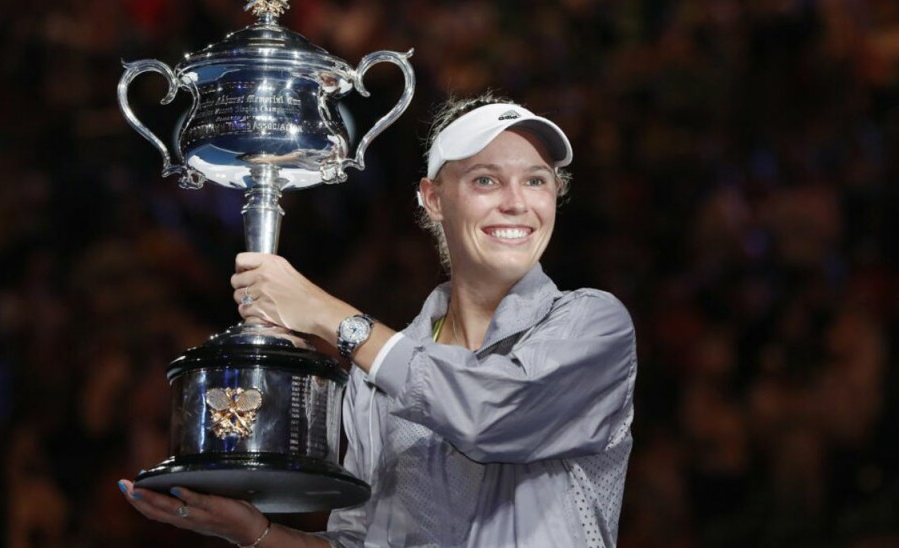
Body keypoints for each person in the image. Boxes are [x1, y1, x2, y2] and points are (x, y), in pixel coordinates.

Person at [119, 92, 638, 547]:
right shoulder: (375, 378)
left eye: (536, 181)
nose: (516, 203)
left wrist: (327, 315)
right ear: (433, 199)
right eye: (486, 180)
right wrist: (250, 531)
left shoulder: (592, 324)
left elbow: (491, 414)